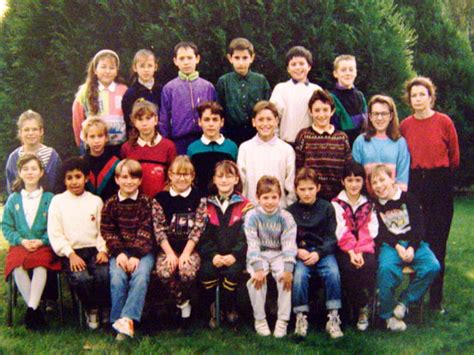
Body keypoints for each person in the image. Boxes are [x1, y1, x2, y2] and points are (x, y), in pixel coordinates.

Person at [400, 77, 460, 313]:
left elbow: (454, 157)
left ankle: (436, 301)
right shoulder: (405, 125)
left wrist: (440, 176)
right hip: (415, 183)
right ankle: (413, 298)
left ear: (430, 97)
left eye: (422, 94)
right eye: (414, 95)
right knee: (416, 238)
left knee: (438, 242)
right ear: (409, 99)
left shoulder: (444, 121)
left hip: (439, 183)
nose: (418, 99)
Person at [370, 164, 440, 331]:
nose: (379, 185)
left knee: (432, 266)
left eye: (382, 180)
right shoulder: (375, 205)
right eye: (374, 182)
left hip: (413, 243)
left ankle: (404, 302)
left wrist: (411, 248)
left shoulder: (408, 198)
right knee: (386, 269)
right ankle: (387, 315)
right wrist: (397, 247)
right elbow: (380, 232)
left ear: (392, 179)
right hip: (391, 246)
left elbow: (419, 226)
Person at [48, 157, 109, 330]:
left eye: (78, 176)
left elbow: (102, 230)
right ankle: (91, 309)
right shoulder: (58, 202)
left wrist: (103, 250)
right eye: (69, 178)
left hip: (94, 249)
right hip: (72, 252)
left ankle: (105, 307)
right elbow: (55, 233)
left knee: (104, 275)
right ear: (64, 180)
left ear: (86, 178)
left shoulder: (95, 201)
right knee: (82, 279)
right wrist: (70, 254)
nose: (74, 182)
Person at [2, 154, 60, 329]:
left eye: (34, 168)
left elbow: (56, 227)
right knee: (17, 265)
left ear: (41, 172)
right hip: (21, 244)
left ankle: (31, 311)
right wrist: (20, 240)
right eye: (25, 169)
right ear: (19, 173)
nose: (30, 172)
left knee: (40, 265)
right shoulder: (13, 199)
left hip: (42, 245)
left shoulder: (50, 199)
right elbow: (6, 226)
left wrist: (42, 241)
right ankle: (34, 311)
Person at [100, 159, 155, 340]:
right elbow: (108, 231)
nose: (129, 181)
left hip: (143, 252)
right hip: (120, 252)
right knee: (117, 277)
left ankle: (126, 319)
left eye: (133, 177)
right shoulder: (110, 204)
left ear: (140, 181)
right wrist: (119, 253)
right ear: (117, 179)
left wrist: (137, 254)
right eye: (124, 177)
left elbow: (147, 230)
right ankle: (118, 320)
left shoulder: (146, 203)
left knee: (140, 277)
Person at [288, 168, 344, 339]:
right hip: (301, 253)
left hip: (323, 252)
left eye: (310, 189)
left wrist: (319, 253)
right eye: (302, 189)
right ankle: (301, 316)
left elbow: (331, 237)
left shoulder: (327, 208)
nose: (306, 193)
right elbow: (287, 237)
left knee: (333, 273)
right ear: (296, 189)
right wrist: (296, 250)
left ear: (318, 188)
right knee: (299, 276)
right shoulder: (290, 211)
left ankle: (333, 317)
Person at [153, 156, 207, 328]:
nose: (182, 178)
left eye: (186, 174)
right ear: (170, 174)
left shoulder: (199, 197)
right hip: (167, 248)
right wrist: (169, 253)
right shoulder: (160, 198)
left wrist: (185, 254)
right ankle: (182, 302)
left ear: (192, 176)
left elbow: (198, 228)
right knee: (165, 273)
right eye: (178, 174)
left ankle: (192, 303)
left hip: (190, 249)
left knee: (187, 272)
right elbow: (159, 229)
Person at [198, 160, 252, 328]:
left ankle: (229, 306)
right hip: (213, 256)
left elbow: (247, 236)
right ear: (214, 179)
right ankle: (215, 308)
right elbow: (202, 236)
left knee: (234, 273)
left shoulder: (245, 205)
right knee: (206, 272)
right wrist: (213, 255)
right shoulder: (206, 204)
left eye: (229, 176)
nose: (224, 180)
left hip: (235, 256)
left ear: (236, 179)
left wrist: (234, 255)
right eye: (220, 176)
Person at [245, 176, 297, 338]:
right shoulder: (252, 216)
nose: (269, 202)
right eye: (265, 198)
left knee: (285, 278)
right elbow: (252, 242)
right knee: (256, 280)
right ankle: (260, 319)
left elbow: (289, 243)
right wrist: (258, 268)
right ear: (258, 198)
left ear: (279, 197)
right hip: (258, 254)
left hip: (279, 253)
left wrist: (288, 268)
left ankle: (282, 320)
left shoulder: (286, 217)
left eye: (273, 197)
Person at [332, 162, 378, 331]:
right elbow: (340, 230)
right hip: (344, 246)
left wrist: (359, 251)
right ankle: (359, 304)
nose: (354, 184)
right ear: (343, 181)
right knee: (347, 267)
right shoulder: (337, 203)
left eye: (357, 180)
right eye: (349, 180)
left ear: (363, 181)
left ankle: (365, 306)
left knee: (370, 264)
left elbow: (371, 230)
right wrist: (351, 252)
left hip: (365, 246)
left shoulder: (369, 204)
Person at [294, 89, 352, 201]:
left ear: (332, 111)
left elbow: (347, 169)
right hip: (311, 198)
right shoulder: (304, 136)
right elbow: (298, 169)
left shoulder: (342, 137)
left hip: (337, 198)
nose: (321, 115)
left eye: (325, 110)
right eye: (317, 110)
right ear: (310, 112)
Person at [160, 41, 216, 154]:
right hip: (179, 142)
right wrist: (166, 142)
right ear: (175, 61)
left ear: (197, 59)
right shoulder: (169, 88)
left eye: (190, 58)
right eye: (181, 58)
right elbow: (164, 119)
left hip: (204, 140)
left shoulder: (208, 87)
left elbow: (216, 114)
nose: (186, 62)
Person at [237, 101, 296, 207]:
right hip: (252, 211)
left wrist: (289, 211)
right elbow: (242, 183)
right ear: (253, 122)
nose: (265, 124)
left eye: (269, 119)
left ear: (276, 121)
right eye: (260, 120)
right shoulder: (245, 148)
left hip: (279, 212)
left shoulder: (286, 150)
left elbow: (290, 186)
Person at [216, 37, 271, 146]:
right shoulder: (224, 82)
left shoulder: (260, 80)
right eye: (237, 58)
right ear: (230, 58)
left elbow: (267, 107)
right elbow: (219, 110)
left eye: (245, 58)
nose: (241, 62)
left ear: (252, 58)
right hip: (231, 135)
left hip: (256, 134)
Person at [352, 94, 410, 194]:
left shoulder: (400, 143)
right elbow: (356, 175)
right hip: (366, 199)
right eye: (375, 114)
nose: (379, 118)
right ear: (370, 116)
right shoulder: (360, 141)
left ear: (391, 116)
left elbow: (402, 178)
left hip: (392, 199)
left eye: (384, 114)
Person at [72, 49, 127, 150]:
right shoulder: (85, 91)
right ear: (95, 70)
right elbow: (77, 120)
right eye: (103, 67)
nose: (107, 71)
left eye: (112, 68)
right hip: (93, 147)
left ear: (116, 71)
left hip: (118, 146)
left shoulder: (123, 90)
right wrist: (81, 144)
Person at [121, 99, 176, 197]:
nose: (144, 123)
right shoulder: (127, 148)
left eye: (148, 118)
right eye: (140, 119)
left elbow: (172, 177)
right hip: (136, 202)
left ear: (156, 119)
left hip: (161, 201)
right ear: (134, 122)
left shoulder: (168, 146)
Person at [270, 46, 322, 145]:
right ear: (288, 69)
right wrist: (275, 142)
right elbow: (273, 118)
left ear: (309, 67)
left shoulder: (316, 90)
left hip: (310, 145)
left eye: (302, 63)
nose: (298, 67)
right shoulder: (281, 89)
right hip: (285, 143)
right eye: (293, 64)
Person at [187, 101, 238, 194]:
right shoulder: (193, 148)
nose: (211, 124)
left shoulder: (231, 147)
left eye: (215, 120)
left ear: (221, 122)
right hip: (201, 200)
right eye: (206, 119)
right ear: (199, 122)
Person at [6, 110, 62, 194]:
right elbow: (11, 189)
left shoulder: (52, 156)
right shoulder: (14, 158)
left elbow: (59, 185)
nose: (30, 133)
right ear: (20, 132)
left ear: (41, 131)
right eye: (26, 130)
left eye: (34, 129)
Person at [330, 54, 367, 147]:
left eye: (351, 69)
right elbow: (335, 125)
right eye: (343, 70)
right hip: (340, 145)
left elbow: (366, 121)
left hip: (361, 145)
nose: (348, 73)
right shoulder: (332, 97)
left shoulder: (360, 96)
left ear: (356, 72)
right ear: (335, 73)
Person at [122, 49, 161, 135]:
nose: (146, 70)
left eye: (150, 66)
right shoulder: (130, 94)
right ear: (135, 68)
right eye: (142, 66)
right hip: (139, 139)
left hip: (160, 138)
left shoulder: (162, 90)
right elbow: (128, 121)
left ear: (155, 67)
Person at [81, 117, 120, 201]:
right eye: (92, 137)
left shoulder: (116, 163)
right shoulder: (81, 163)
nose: (96, 141)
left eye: (100, 136)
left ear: (106, 138)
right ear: (85, 139)